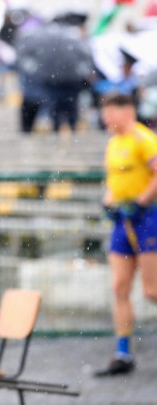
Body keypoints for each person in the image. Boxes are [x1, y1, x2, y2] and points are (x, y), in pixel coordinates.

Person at [95, 93, 157, 376]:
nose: (106, 119)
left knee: (152, 290)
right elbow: (114, 181)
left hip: (147, 219)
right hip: (122, 221)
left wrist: (141, 202)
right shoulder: (113, 143)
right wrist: (109, 202)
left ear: (128, 111)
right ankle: (123, 353)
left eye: (110, 113)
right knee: (119, 287)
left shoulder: (144, 140)